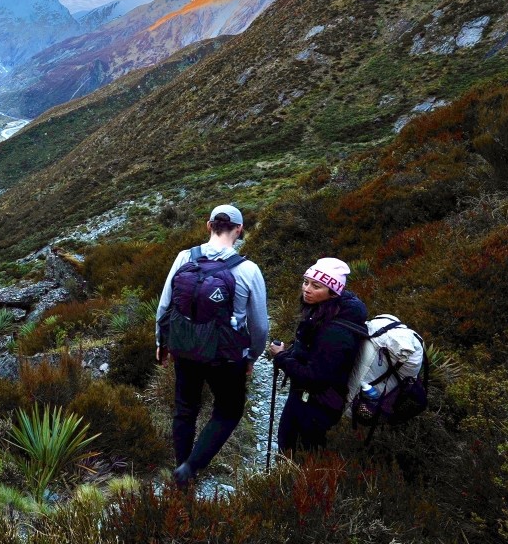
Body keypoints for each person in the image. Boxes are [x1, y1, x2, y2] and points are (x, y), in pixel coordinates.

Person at [155, 204, 268, 488]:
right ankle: (191, 467)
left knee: (185, 409)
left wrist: (162, 342)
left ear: (209, 226)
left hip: (185, 349)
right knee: (228, 411)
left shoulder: (184, 257)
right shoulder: (248, 270)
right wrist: (252, 355)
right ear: (239, 230)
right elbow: (260, 326)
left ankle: (181, 473)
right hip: (226, 357)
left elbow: (164, 305)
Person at [267, 257, 368, 453]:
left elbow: (315, 377)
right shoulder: (324, 312)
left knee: (297, 452)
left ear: (333, 292)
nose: (307, 289)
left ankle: (289, 483)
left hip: (316, 407)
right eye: (306, 282)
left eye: (316, 286)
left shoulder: (336, 332)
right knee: (289, 447)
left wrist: (281, 357)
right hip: (305, 399)